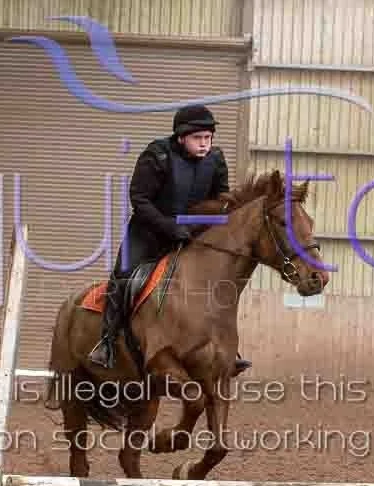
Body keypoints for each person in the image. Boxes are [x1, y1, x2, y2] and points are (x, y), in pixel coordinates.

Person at [87, 104, 252, 375]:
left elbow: (219, 200)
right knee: (123, 277)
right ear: (181, 137)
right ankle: (106, 342)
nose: (204, 144)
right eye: (198, 138)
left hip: (191, 236)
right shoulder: (157, 155)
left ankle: (224, 348)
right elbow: (139, 199)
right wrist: (169, 227)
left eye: (208, 137)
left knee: (216, 284)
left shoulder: (216, 160)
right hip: (148, 233)